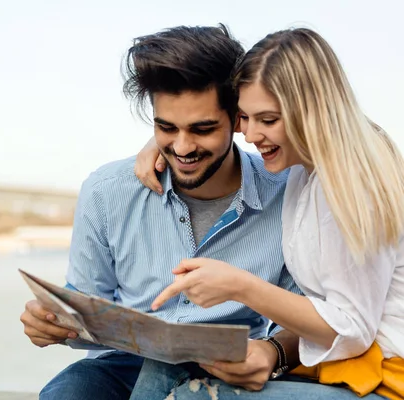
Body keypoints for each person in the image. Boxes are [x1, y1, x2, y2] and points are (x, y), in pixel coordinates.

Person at [20, 25, 305, 400]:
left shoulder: (287, 193)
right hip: (121, 364)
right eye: (165, 128)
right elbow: (83, 299)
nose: (183, 147)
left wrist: (274, 352)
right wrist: (50, 323)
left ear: (239, 119)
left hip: (229, 369)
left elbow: (312, 316)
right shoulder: (107, 191)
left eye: (202, 129)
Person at [132, 27, 404, 399]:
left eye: (268, 120)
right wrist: (173, 144)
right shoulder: (305, 166)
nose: (251, 134)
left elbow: (351, 328)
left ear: (313, 111)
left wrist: (240, 287)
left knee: (189, 394)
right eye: (245, 117)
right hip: (345, 369)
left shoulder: (350, 182)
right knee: (165, 368)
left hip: (384, 380)